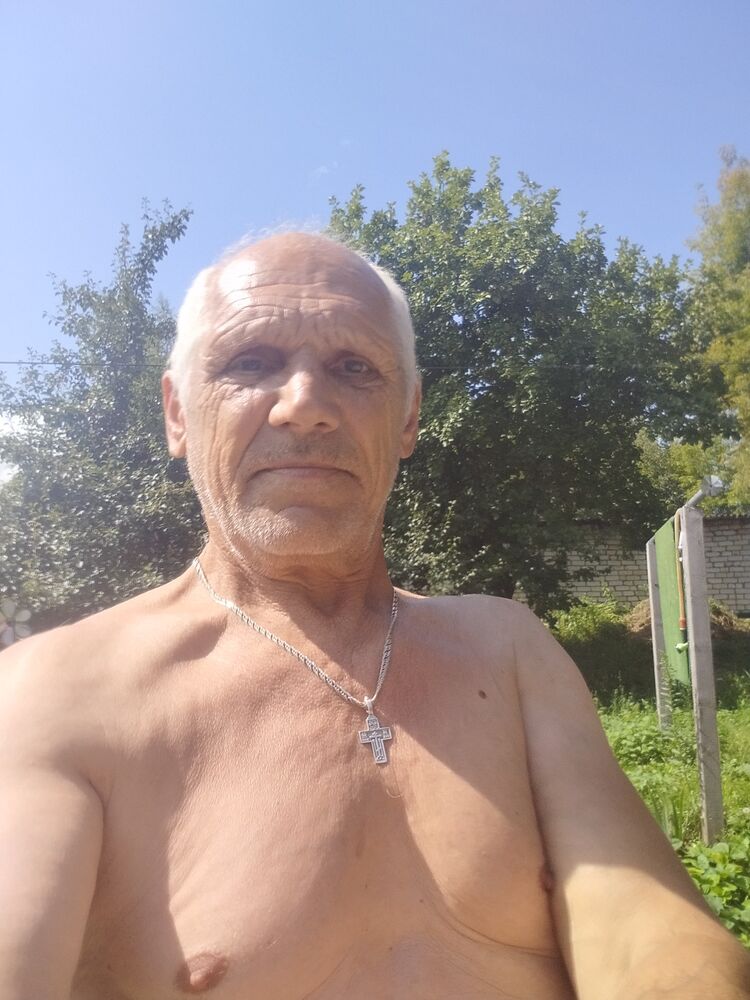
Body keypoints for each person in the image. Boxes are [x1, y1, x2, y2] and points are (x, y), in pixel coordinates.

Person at [1, 232, 748, 1000]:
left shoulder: (509, 655)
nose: (304, 405)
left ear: (409, 417)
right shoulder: (55, 696)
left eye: (354, 368)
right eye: (250, 363)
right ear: (178, 414)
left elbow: (648, 924)